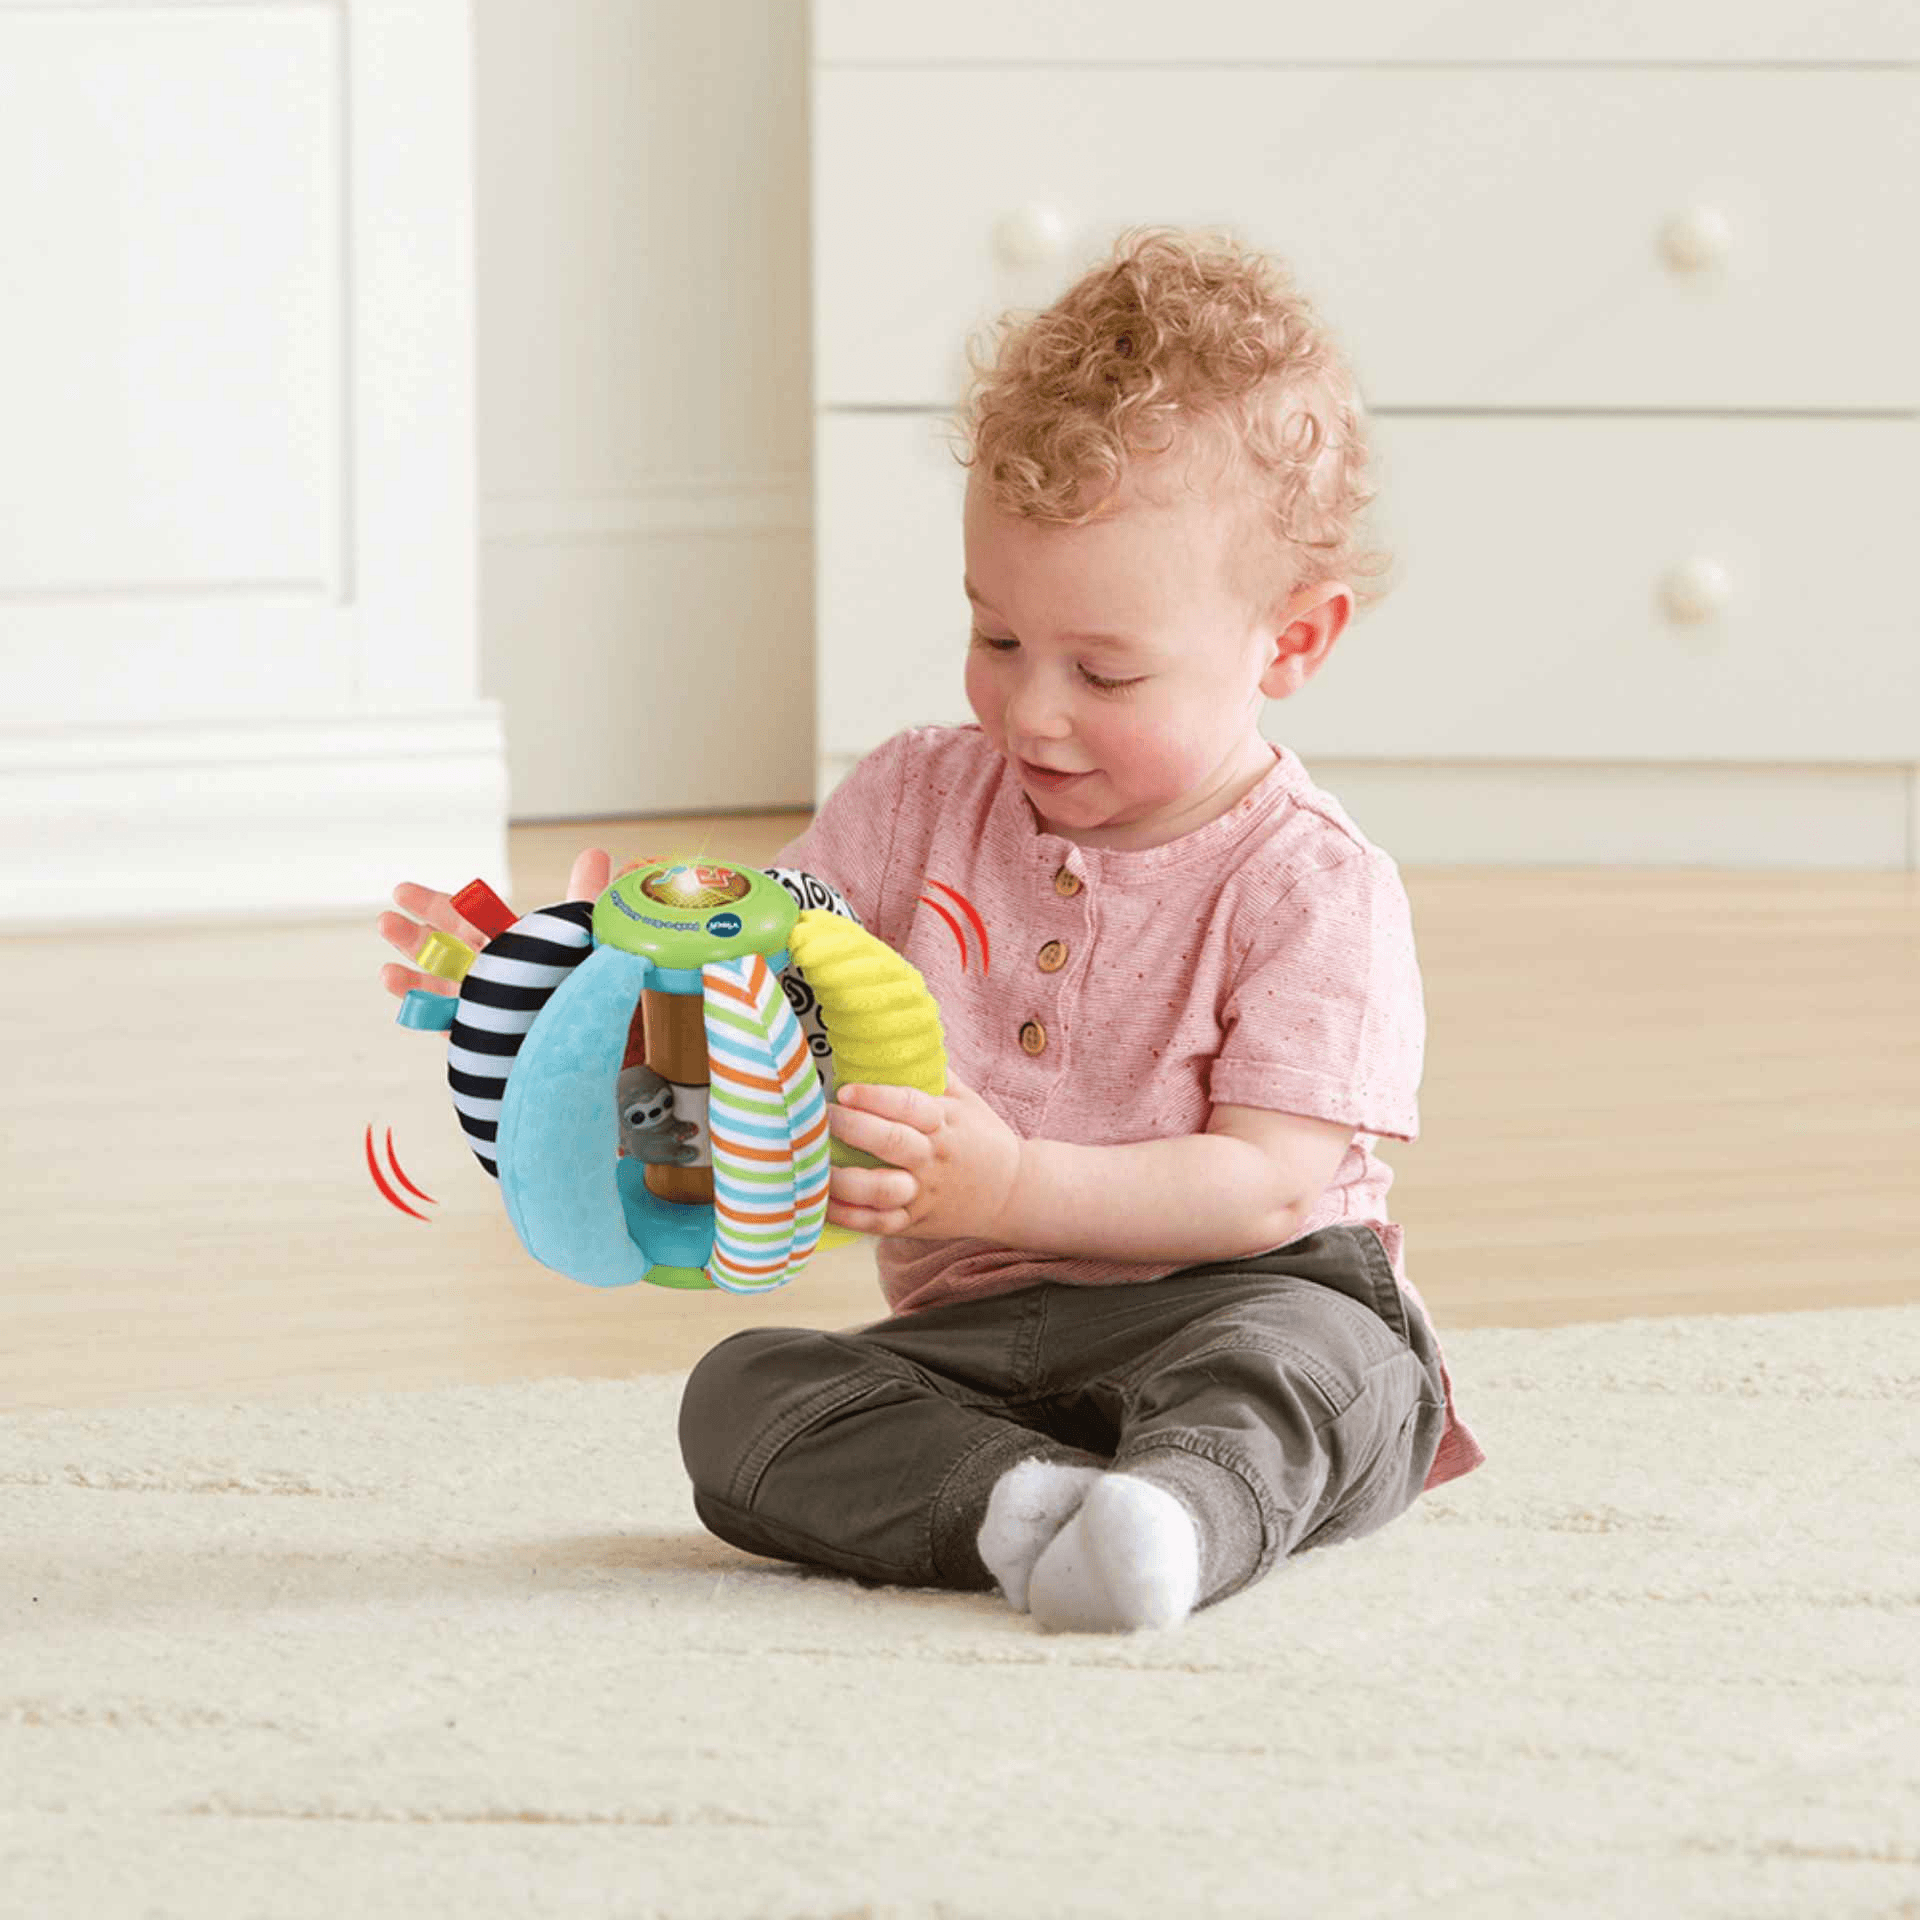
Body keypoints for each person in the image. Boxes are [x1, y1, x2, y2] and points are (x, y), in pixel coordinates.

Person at [379, 228, 1484, 1633]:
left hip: (1244, 1295)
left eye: (1106, 672)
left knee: (1331, 1372)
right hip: (981, 1339)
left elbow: (1265, 1190)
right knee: (744, 1397)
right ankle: (1023, 1507)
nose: (1032, 710)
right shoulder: (913, 802)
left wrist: (1013, 1187)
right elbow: (754, 993)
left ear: (1294, 640)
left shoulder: (1314, 886)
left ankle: (1180, 1514)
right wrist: (562, 984)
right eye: (998, 639)